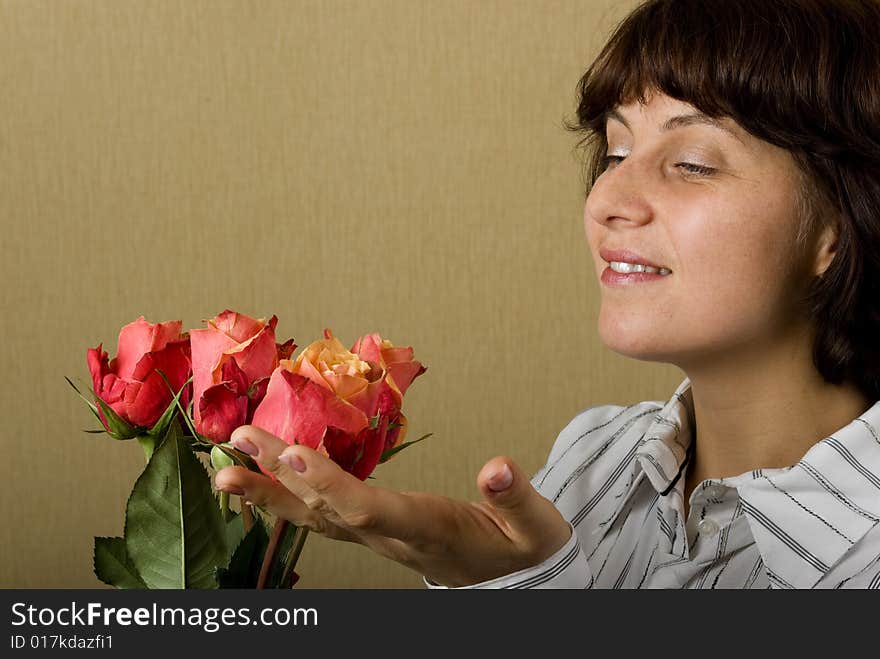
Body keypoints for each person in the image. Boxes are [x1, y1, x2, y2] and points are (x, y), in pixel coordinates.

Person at [215, 0, 880, 588]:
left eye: (692, 163)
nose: (609, 200)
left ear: (839, 222)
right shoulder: (595, 456)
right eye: (615, 154)